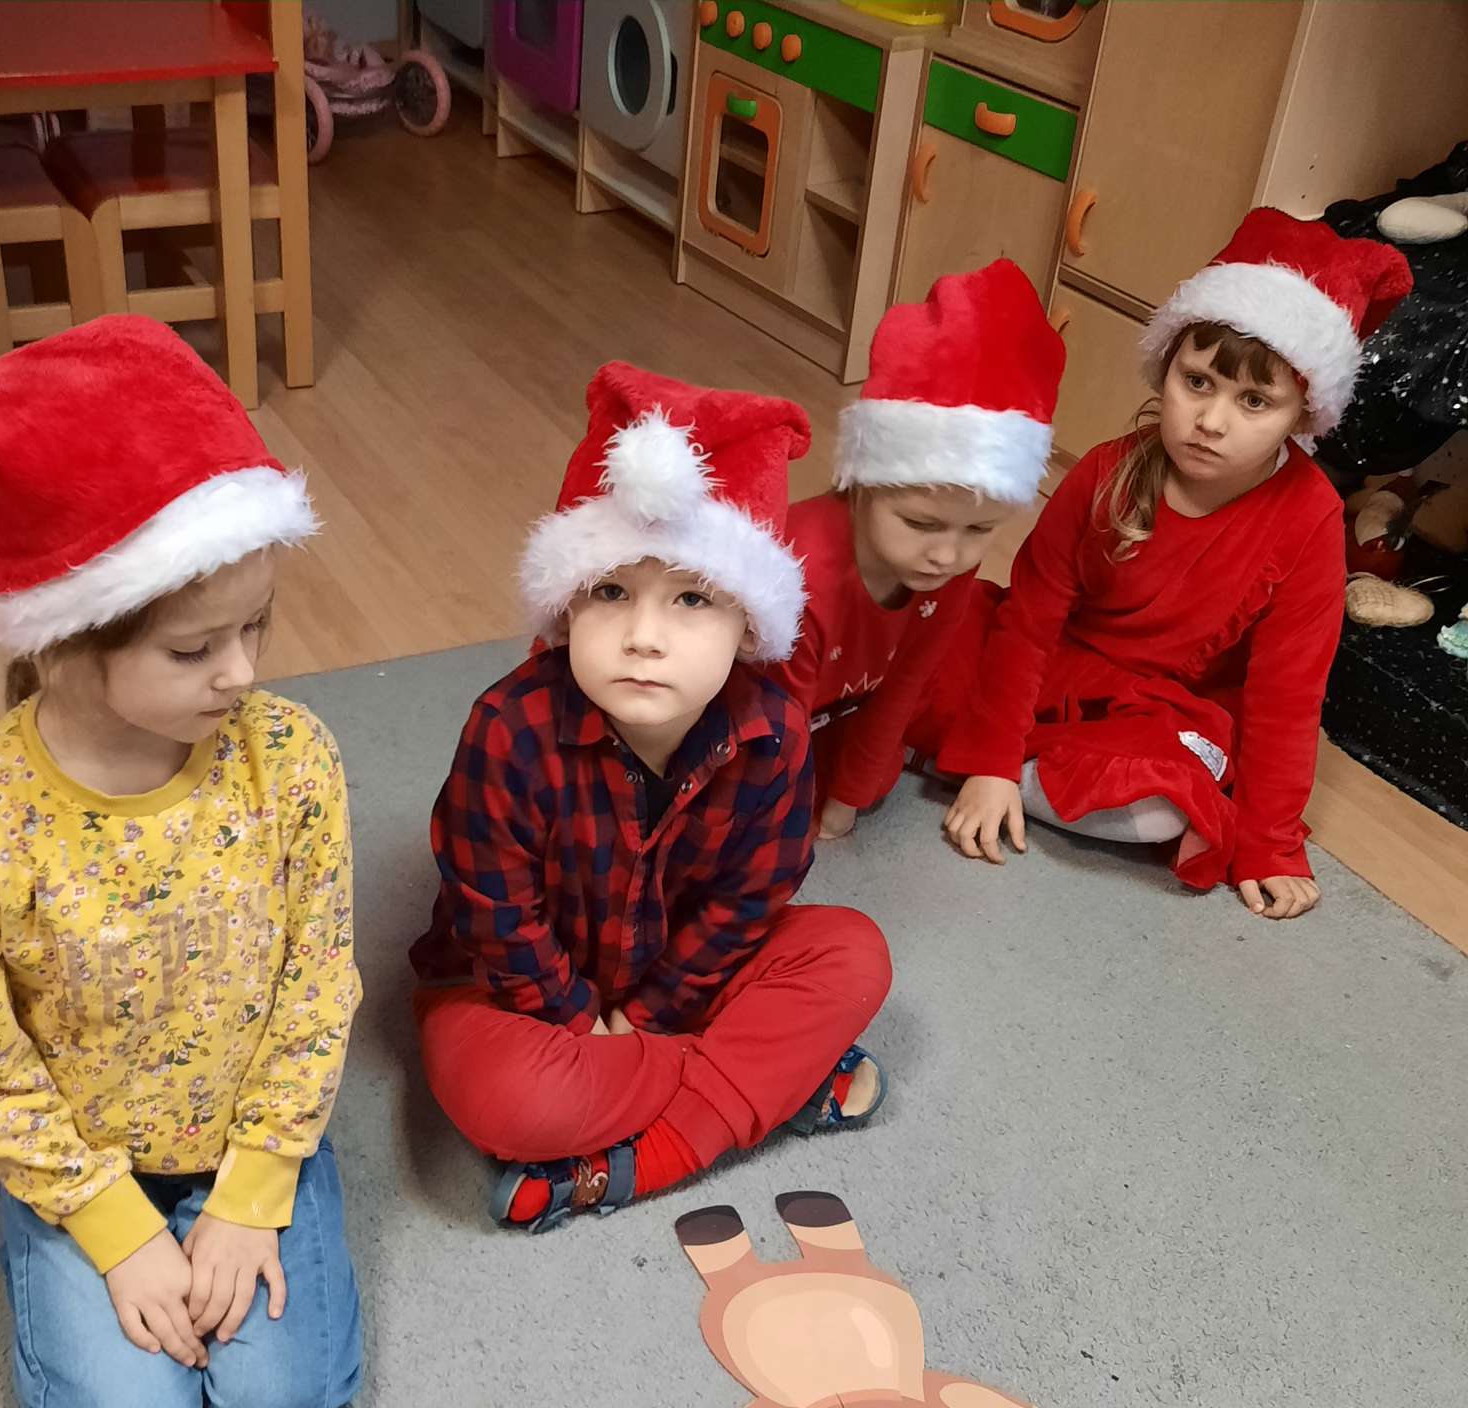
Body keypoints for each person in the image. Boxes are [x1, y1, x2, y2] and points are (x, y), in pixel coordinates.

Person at [0, 318, 362, 1408]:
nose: (242, 672)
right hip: (80, 1158)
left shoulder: (293, 757)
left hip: (249, 1134)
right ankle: (56, 1242)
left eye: (255, 626)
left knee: (283, 1400)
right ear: (60, 645)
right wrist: (108, 1225)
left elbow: (318, 984)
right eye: (195, 649)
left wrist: (256, 1190)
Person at [410, 363, 893, 1233]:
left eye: (692, 599)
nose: (643, 636)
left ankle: (639, 1156)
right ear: (567, 607)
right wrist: (578, 1019)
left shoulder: (775, 734)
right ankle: (763, 1083)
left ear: (749, 623)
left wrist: (647, 1019)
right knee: (507, 1099)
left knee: (853, 954)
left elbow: (749, 906)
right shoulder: (508, 729)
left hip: (680, 982)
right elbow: (497, 916)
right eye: (610, 592)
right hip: (526, 1000)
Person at [939, 209, 1413, 919]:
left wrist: (1268, 843)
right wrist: (991, 762)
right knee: (931, 640)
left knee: (1161, 806)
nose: (1212, 421)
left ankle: (1002, 766)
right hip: (1065, 665)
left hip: (1170, 708)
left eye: (1254, 401)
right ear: (1166, 370)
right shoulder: (1105, 471)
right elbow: (1031, 621)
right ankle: (998, 761)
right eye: (1197, 382)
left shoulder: (1311, 518)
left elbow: (1287, 695)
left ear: (1301, 415)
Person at [773, 260, 1064, 840]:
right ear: (862, 485)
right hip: (764, 717)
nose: (948, 556)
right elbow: (772, 724)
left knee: (879, 774)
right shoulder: (801, 574)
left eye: (979, 531)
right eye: (920, 523)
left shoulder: (946, 567)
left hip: (838, 707)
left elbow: (904, 684)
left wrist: (847, 801)